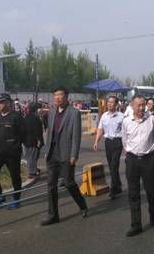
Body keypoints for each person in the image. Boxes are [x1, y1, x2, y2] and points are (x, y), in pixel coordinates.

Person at [41, 87, 88, 226]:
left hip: (66, 153)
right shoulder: (52, 112)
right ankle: (53, 215)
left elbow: (76, 136)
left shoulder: (74, 113)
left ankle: (82, 205)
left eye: (60, 95)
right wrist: (46, 150)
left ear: (66, 96)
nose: (57, 97)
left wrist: (74, 154)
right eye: (55, 95)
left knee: (68, 183)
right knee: (51, 185)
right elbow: (49, 133)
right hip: (52, 153)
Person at [122, 95, 154, 237]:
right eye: (138, 105)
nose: (141, 108)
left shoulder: (152, 120)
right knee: (133, 193)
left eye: (143, 105)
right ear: (132, 106)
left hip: (148, 159)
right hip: (132, 160)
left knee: (151, 191)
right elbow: (125, 141)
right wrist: (131, 152)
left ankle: (153, 214)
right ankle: (136, 225)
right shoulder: (126, 121)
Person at [0, 93, 26, 209]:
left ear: (8, 102)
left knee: (15, 176)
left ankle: (16, 199)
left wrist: (15, 145)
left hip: (13, 154)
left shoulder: (16, 117)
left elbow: (23, 134)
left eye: (1, 102)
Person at [93, 96, 124, 199]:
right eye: (108, 102)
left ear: (116, 104)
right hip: (108, 143)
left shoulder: (121, 116)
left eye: (112, 102)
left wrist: (126, 144)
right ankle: (118, 185)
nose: (110, 104)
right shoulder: (104, 116)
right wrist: (96, 142)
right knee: (111, 166)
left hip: (117, 142)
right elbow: (100, 129)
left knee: (114, 166)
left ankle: (113, 189)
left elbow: (126, 131)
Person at [23, 102, 44, 181]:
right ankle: (32, 173)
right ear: (36, 109)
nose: (41, 110)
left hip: (26, 141)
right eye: (40, 108)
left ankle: (33, 169)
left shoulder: (26, 117)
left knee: (30, 156)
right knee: (32, 157)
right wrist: (40, 141)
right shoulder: (35, 119)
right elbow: (37, 131)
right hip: (33, 141)